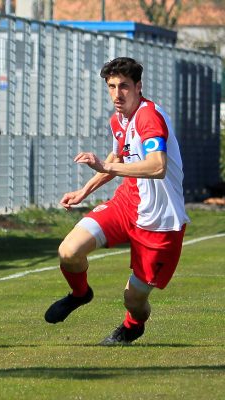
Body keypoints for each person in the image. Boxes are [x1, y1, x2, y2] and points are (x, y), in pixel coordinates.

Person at [44, 57, 189, 345]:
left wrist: (105, 167)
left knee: (133, 300)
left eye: (123, 86)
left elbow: (157, 166)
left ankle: (133, 325)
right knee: (69, 251)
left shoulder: (149, 117)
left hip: (160, 220)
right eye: (111, 86)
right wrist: (84, 191)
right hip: (127, 202)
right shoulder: (118, 119)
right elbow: (118, 157)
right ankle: (80, 294)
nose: (116, 94)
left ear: (138, 87)